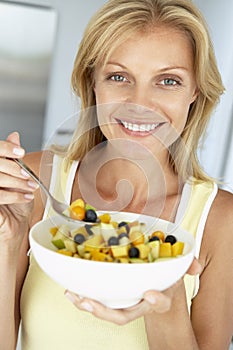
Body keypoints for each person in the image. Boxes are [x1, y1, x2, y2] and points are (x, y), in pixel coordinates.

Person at [1, 0, 233, 349]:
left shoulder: (222, 222)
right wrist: (7, 241)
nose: (139, 103)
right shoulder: (35, 182)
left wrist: (164, 301)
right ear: (92, 82)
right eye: (118, 76)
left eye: (168, 80)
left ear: (195, 91)